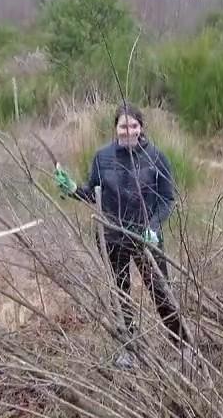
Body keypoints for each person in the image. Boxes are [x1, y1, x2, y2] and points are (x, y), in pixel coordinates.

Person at [54, 104, 189, 364]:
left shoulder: (156, 157)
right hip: (112, 236)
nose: (129, 131)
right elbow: (93, 193)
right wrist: (71, 188)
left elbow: (167, 199)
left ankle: (183, 346)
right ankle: (130, 350)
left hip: (146, 237)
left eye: (134, 126)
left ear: (141, 127)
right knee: (121, 292)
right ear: (116, 128)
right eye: (123, 126)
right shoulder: (102, 158)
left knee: (161, 291)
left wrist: (153, 227)